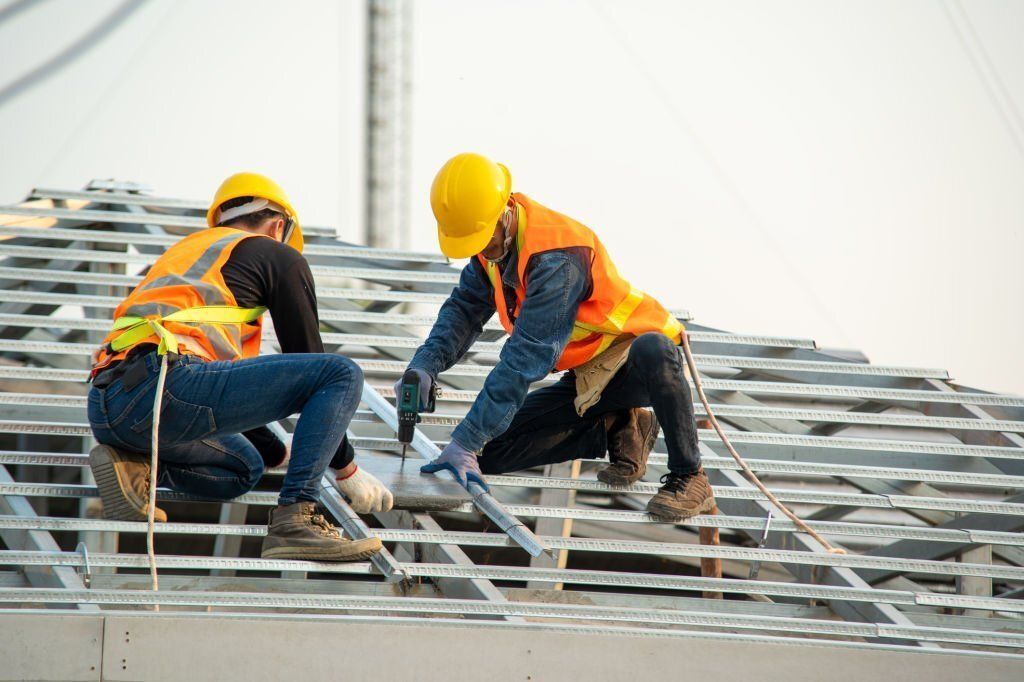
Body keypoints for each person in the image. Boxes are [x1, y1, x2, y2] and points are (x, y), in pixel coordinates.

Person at [86, 172, 393, 562]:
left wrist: (278, 451)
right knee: (341, 373)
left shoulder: (188, 256)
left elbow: (227, 394)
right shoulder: (277, 254)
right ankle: (296, 517)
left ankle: (134, 466)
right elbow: (308, 356)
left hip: (109, 403)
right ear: (278, 226)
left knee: (247, 466)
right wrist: (345, 467)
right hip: (167, 385)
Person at [405, 153, 714, 521]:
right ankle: (617, 425)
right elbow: (463, 310)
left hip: (631, 360)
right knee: (485, 454)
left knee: (655, 349)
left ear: (504, 210)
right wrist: (425, 365)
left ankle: (689, 475)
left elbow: (528, 355)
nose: (480, 249)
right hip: (587, 378)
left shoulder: (557, 256)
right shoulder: (489, 247)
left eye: (482, 238)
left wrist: (466, 438)